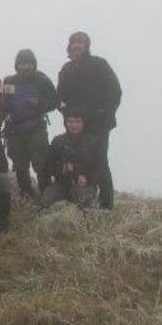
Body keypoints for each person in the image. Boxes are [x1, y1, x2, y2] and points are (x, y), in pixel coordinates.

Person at [57, 31, 121, 209]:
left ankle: (106, 205)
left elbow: (115, 93)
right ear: (69, 46)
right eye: (74, 42)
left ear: (87, 46)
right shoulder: (66, 69)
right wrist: (68, 117)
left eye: (80, 42)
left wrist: (103, 115)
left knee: (100, 161)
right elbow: (60, 97)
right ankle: (79, 200)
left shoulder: (99, 64)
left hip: (98, 126)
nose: (76, 45)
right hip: (76, 127)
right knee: (75, 160)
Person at [0, 49, 57, 198]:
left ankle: (46, 194)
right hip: (15, 130)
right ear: (16, 65)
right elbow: (2, 102)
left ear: (34, 65)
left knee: (41, 162)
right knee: (19, 165)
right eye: (21, 63)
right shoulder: (9, 81)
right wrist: (7, 105)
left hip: (36, 128)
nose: (24, 67)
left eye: (28, 64)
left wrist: (40, 103)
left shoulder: (42, 80)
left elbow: (54, 101)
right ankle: (26, 193)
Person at [40, 108, 102, 209]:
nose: (74, 125)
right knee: (46, 203)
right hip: (61, 184)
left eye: (78, 122)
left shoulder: (94, 141)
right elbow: (47, 167)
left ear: (83, 123)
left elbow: (99, 168)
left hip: (85, 186)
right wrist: (61, 169)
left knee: (83, 202)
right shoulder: (57, 141)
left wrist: (87, 177)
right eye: (70, 121)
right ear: (65, 123)